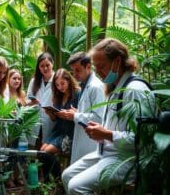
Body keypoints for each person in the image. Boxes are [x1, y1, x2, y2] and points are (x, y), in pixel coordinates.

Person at [62, 38, 155, 194]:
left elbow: (142, 139)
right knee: (67, 176)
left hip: (126, 159)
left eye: (101, 66)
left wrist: (107, 134)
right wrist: (101, 134)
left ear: (117, 62)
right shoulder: (114, 88)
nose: (97, 71)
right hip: (106, 152)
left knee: (76, 186)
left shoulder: (134, 90)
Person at [61, 52, 104, 165]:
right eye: (73, 71)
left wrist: (75, 115)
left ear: (88, 67)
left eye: (78, 70)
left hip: (90, 143)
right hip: (82, 140)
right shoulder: (84, 85)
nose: (74, 74)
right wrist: (77, 113)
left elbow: (99, 118)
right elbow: (89, 111)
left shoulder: (96, 87)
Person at [41, 68, 80, 181]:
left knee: (46, 152)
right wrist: (50, 114)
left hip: (69, 133)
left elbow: (80, 115)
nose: (60, 87)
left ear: (69, 80)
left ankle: (59, 181)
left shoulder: (77, 93)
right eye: (57, 85)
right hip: (58, 131)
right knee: (41, 151)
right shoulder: (58, 96)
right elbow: (55, 119)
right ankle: (48, 181)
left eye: (62, 83)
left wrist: (69, 114)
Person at [27, 52, 55, 148]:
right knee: (34, 149)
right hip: (35, 121)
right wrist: (31, 102)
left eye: (47, 65)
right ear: (38, 67)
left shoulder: (57, 80)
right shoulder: (34, 81)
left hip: (50, 121)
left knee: (47, 152)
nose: (45, 68)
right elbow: (27, 101)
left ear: (52, 64)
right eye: (42, 66)